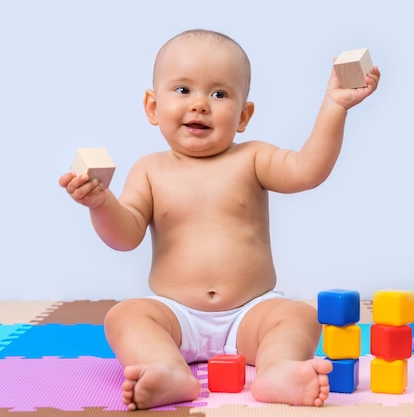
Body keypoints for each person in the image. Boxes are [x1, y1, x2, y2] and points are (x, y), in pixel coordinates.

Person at [59, 28, 380, 410]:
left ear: (244, 115)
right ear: (152, 106)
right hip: (175, 313)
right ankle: (166, 368)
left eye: (219, 94)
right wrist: (100, 203)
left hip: (252, 311)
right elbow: (125, 235)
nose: (200, 105)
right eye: (182, 90)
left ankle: (277, 371)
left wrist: (335, 106)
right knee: (125, 316)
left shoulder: (254, 158)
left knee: (298, 316)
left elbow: (308, 170)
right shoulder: (149, 170)